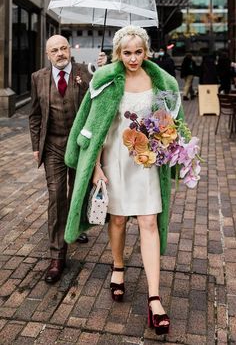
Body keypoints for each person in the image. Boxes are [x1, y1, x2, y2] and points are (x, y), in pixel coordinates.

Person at [64, 25, 185, 336]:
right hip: (115, 160)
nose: (133, 58)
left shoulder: (162, 81)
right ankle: (118, 268)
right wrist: (95, 168)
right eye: (127, 53)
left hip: (145, 164)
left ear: (146, 50)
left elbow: (173, 122)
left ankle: (154, 299)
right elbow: (92, 126)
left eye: (138, 52)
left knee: (148, 221)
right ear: (119, 52)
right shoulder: (105, 79)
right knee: (117, 220)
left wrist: (170, 142)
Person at [29, 35, 107, 284]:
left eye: (64, 48)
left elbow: (100, 101)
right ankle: (57, 256)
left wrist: (104, 70)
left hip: (79, 145)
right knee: (56, 196)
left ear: (70, 50)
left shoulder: (86, 72)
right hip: (52, 146)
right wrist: (35, 147)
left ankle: (76, 227)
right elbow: (34, 115)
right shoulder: (37, 78)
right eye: (55, 50)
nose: (60, 53)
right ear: (47, 54)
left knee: (78, 192)